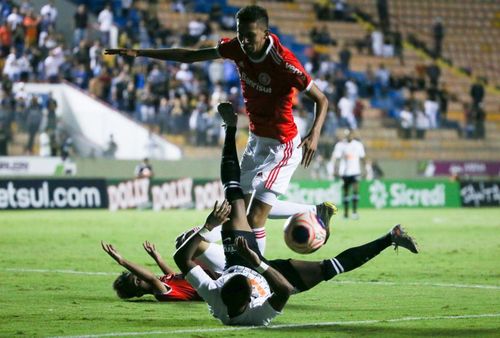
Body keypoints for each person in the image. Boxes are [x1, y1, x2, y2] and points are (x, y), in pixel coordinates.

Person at [105, 5, 333, 255]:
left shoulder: (284, 62)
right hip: (256, 142)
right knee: (237, 213)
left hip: (283, 146)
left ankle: (256, 279)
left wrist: (314, 134)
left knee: (255, 218)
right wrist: (139, 52)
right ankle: (312, 210)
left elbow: (321, 99)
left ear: (266, 33)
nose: (244, 41)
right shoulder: (236, 47)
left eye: (250, 35)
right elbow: (189, 56)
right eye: (240, 34)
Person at [173, 102, 419, 326]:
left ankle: (230, 127)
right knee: (330, 268)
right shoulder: (256, 315)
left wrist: (208, 226)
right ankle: (391, 237)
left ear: (222, 283)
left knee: (233, 193)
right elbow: (283, 290)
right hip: (269, 276)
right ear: (250, 299)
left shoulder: (214, 294)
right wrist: (258, 264)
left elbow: (181, 258)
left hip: (239, 259)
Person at [102, 235, 224, 302]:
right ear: (139, 294)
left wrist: (158, 259)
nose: (141, 277)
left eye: (138, 275)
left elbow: (176, 278)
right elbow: (150, 278)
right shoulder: (161, 294)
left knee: (183, 241)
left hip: (214, 273)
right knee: (189, 241)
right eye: (138, 281)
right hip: (220, 280)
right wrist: (122, 261)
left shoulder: (165, 282)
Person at [332, 129, 366, 220]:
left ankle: (354, 212)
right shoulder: (340, 145)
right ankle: (346, 213)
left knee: (355, 191)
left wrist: (365, 169)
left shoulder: (358, 145)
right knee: (346, 192)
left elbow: (363, 158)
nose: (349, 136)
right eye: (347, 135)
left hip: (356, 172)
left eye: (351, 135)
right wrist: (336, 170)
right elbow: (337, 158)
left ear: (353, 135)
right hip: (345, 172)